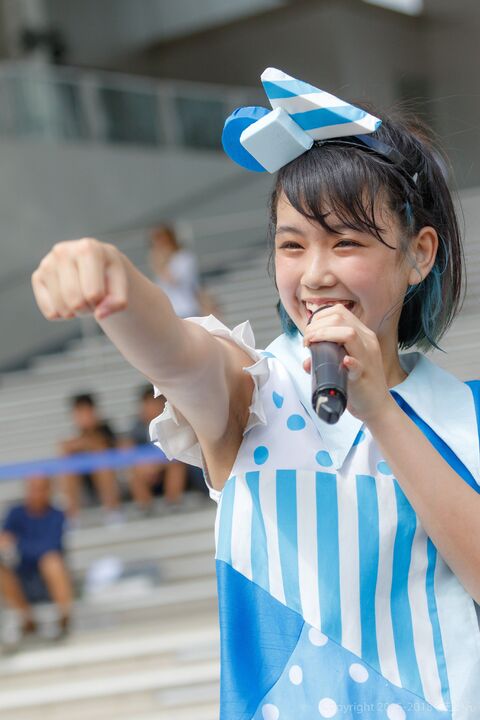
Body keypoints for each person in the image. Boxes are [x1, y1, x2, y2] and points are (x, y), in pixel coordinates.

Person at [31, 72, 480, 719]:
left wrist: (380, 410)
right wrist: (117, 285)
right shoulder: (256, 392)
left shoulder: (465, 416)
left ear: (419, 254)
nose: (315, 273)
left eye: (346, 241)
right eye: (292, 244)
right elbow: (181, 356)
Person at [0, 475, 72, 646]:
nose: (35, 493)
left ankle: (63, 619)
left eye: (40, 489)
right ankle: (26, 619)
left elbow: (52, 547)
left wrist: (19, 546)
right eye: (32, 488)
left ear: (48, 491)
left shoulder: (56, 514)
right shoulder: (15, 513)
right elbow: (4, 541)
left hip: (46, 572)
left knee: (52, 562)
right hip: (22, 571)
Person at [58, 393, 121, 522]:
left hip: (113, 480)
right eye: (79, 413)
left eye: (85, 412)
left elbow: (101, 445)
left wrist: (84, 444)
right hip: (86, 481)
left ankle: (112, 510)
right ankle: (72, 516)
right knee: (67, 465)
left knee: (102, 462)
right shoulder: (76, 434)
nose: (83, 417)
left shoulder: (106, 430)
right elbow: (65, 448)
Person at [125, 385, 187, 512]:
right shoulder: (137, 428)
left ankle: (173, 503)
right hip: (146, 471)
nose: (151, 408)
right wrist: (146, 465)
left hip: (168, 467)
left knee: (176, 465)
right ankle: (145, 508)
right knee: (134, 472)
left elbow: (179, 450)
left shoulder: (172, 422)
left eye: (154, 403)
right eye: (148, 404)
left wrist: (157, 464)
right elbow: (129, 451)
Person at [149, 223, 218, 318]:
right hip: (169, 311)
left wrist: (160, 265)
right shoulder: (165, 261)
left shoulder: (184, 258)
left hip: (185, 309)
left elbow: (175, 281)